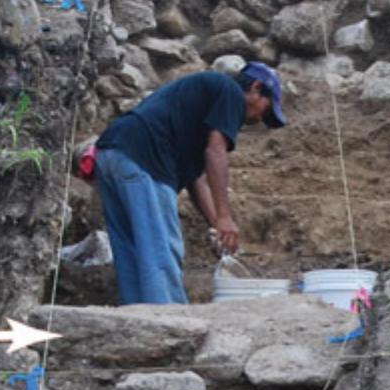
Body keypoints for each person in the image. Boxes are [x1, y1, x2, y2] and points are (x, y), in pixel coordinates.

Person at [93, 62, 285, 304]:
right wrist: (225, 216)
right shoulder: (231, 92)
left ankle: (138, 321)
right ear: (256, 88)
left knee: (131, 252)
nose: (259, 119)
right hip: (144, 159)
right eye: (265, 111)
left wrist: (217, 225)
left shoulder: (201, 104)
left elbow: (197, 181)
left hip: (111, 154)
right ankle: (169, 324)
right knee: (161, 251)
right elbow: (216, 150)